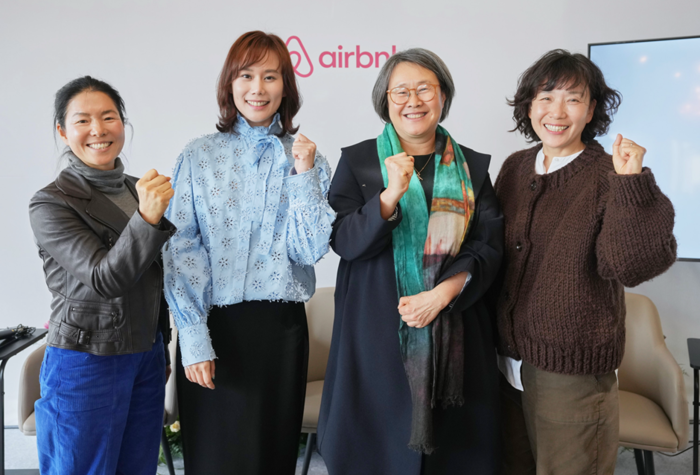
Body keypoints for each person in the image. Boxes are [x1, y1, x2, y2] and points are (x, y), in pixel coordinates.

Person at [318, 48, 504, 475]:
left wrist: (440, 295)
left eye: (425, 89)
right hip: (375, 331)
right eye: (400, 91)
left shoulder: (472, 168)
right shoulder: (360, 162)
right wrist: (388, 197)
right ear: (385, 100)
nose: (413, 101)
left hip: (456, 325)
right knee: (376, 450)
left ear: (443, 96)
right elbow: (343, 240)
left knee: (455, 454)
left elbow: (489, 244)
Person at [494, 49, 677, 475]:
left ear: (591, 109)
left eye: (573, 99)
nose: (557, 112)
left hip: (570, 372)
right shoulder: (515, 169)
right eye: (545, 98)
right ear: (529, 107)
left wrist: (631, 184)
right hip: (505, 363)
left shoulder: (611, 175)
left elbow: (631, 265)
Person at [162, 30, 335, 475]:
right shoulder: (199, 155)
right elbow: (180, 248)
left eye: (270, 77)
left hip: (280, 331)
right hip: (213, 328)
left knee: (269, 458)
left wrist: (303, 175)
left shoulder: (307, 157)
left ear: (286, 87)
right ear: (230, 83)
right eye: (246, 75)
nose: (258, 88)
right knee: (214, 460)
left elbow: (310, 249)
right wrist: (193, 337)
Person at [28, 76, 176, 475]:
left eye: (108, 117)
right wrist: (147, 218)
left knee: (138, 468)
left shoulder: (138, 188)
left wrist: (161, 347)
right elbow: (104, 278)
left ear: (122, 124)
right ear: (63, 131)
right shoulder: (50, 203)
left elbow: (155, 279)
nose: (98, 130)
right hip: (86, 358)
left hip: (146, 354)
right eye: (82, 120)